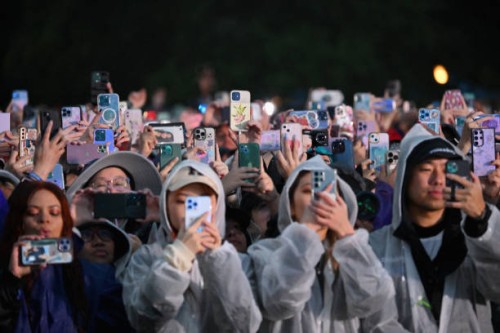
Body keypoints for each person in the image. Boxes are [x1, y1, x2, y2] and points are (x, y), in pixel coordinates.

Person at [369, 123, 500, 332]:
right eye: (426, 169)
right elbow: (372, 318)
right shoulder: (376, 246)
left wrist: (481, 219)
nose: (438, 179)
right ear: (405, 177)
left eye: (448, 169)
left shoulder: (474, 239)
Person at [247, 156, 396, 332]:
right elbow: (280, 302)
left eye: (328, 192)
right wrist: (307, 233)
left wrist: (347, 235)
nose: (318, 199)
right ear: (291, 205)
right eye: (308, 191)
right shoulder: (265, 251)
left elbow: (374, 300)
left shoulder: (359, 250)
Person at [121, 160, 262, 332]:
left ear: (217, 206)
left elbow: (245, 325)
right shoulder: (146, 257)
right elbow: (143, 319)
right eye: (182, 201)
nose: (192, 211)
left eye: (203, 201)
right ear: (166, 206)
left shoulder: (237, 261)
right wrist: (177, 259)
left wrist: (218, 260)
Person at [0, 181, 87, 332]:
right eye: (32, 213)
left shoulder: (83, 269)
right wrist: (11, 281)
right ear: (18, 220)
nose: (44, 219)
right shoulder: (5, 272)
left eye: (54, 213)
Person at [67, 151, 162, 243]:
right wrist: (68, 224)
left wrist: (163, 214)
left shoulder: (153, 232)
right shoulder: (77, 233)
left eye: (119, 183)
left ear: (133, 191)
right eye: (100, 185)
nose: (111, 189)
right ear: (86, 191)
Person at [77, 220, 134, 332]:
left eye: (105, 235)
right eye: (86, 235)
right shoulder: (62, 286)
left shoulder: (133, 284)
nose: (98, 242)